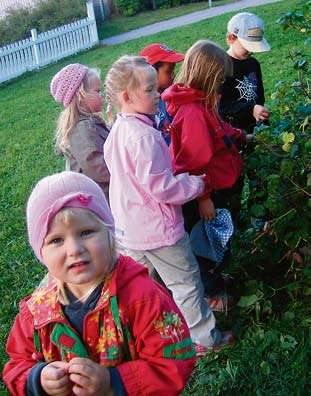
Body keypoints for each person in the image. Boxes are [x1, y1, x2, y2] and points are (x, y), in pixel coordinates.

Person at [3, 171, 198, 396]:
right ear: (41, 252)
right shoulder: (35, 314)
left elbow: (174, 361)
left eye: (86, 232)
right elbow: (16, 365)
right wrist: (38, 378)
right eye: (56, 240)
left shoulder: (144, 298)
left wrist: (113, 381)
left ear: (109, 233)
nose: (74, 249)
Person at [104, 54, 234, 356]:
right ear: (127, 96)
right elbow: (162, 188)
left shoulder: (117, 131)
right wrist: (195, 183)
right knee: (186, 284)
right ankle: (204, 339)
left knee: (139, 288)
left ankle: (139, 337)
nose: (158, 94)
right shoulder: (145, 137)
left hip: (130, 230)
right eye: (149, 90)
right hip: (161, 231)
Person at [162, 40, 254, 311]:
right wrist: (203, 198)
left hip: (216, 186)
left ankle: (217, 275)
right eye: (220, 80)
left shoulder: (200, 103)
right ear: (209, 77)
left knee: (219, 237)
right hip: (208, 192)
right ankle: (211, 295)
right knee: (207, 242)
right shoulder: (191, 112)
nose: (222, 86)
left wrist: (240, 137)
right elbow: (193, 162)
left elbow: (219, 127)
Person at [51, 63, 110, 202]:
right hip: (96, 198)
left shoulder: (89, 121)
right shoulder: (80, 129)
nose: (102, 95)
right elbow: (98, 168)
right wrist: (125, 174)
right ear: (80, 96)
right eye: (97, 91)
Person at [218, 12, 271, 134]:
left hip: (257, 123)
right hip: (235, 129)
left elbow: (259, 95)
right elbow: (223, 106)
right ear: (230, 38)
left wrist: (260, 112)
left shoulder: (253, 63)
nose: (251, 51)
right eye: (247, 46)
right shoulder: (222, 68)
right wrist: (250, 109)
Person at [139, 43, 184, 145]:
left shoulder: (172, 93)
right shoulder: (143, 106)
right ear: (150, 73)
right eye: (169, 71)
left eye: (173, 70)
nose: (173, 75)